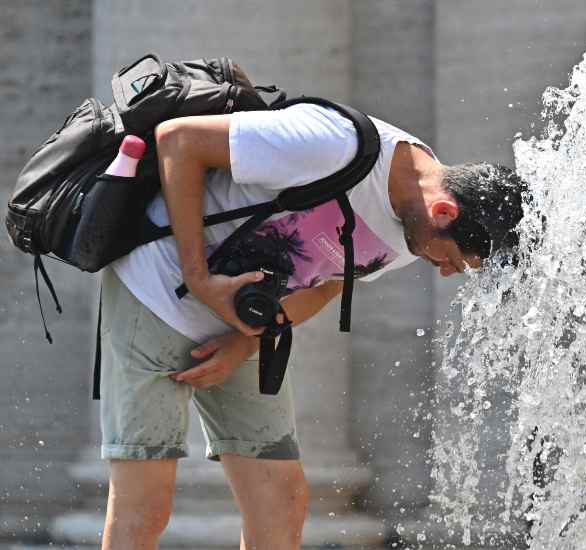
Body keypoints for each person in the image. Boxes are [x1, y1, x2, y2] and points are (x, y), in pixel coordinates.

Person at [99, 101, 526, 550]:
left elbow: (324, 286)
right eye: (453, 260)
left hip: (242, 322)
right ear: (444, 213)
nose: (443, 271)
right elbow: (178, 139)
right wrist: (199, 278)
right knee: (146, 503)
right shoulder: (333, 144)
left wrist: (244, 343)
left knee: (282, 500)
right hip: (158, 284)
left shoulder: (409, 235)